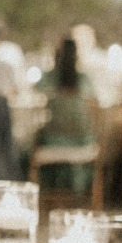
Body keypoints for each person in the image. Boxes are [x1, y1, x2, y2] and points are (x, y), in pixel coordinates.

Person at [34, 33, 98, 192]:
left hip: (53, 140)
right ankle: (79, 187)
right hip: (83, 140)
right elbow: (95, 108)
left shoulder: (48, 78)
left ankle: (49, 187)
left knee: (29, 146)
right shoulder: (84, 80)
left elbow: (33, 100)